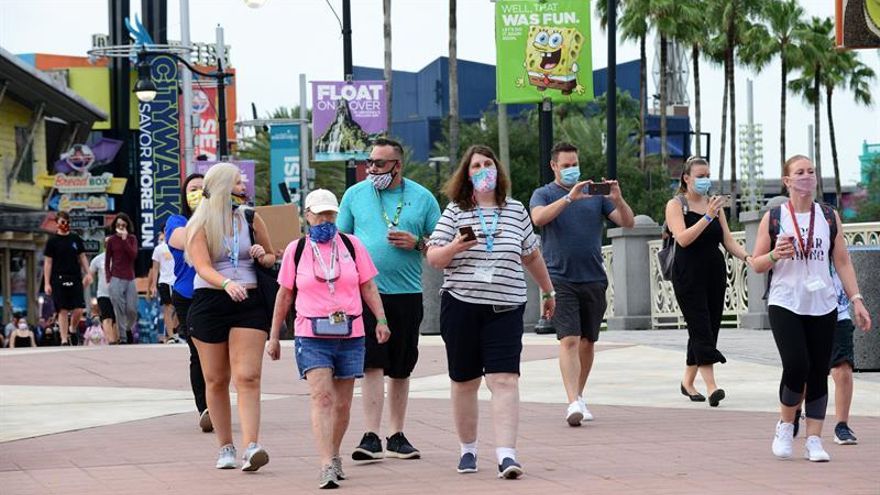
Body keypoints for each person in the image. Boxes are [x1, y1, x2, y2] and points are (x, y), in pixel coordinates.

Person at [427, 144, 556, 479]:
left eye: (487, 164)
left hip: (506, 307)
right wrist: (456, 246)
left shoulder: (515, 211)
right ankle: (468, 449)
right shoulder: (455, 211)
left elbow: (531, 255)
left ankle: (507, 455)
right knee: (465, 381)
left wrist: (547, 289)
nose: (483, 170)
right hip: (462, 305)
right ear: (466, 175)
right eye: (475, 166)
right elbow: (434, 257)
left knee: (504, 379)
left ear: (497, 170)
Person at [268, 189, 391, 489]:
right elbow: (284, 295)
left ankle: (334, 453)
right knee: (322, 397)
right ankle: (325, 463)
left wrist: (382, 319)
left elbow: (368, 285)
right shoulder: (296, 250)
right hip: (311, 332)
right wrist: (273, 336)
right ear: (307, 216)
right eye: (319, 214)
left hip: (351, 331)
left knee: (343, 404)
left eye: (330, 214)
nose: (325, 219)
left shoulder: (352, 245)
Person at [751, 154, 871, 462]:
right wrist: (775, 255)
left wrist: (856, 299)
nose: (807, 177)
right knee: (796, 365)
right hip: (785, 301)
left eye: (811, 171)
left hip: (823, 303)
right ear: (787, 181)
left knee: (819, 371)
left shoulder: (829, 216)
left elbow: (842, 261)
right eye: (800, 172)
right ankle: (785, 424)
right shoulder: (776, 216)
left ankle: (814, 440)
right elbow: (756, 264)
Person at [337, 137, 441, 461]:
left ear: (398, 165)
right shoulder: (355, 195)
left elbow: (439, 248)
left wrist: (418, 242)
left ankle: (396, 434)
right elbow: (340, 243)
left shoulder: (422, 198)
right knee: (372, 363)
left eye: (379, 164)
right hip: (366, 294)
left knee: (401, 366)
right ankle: (370, 435)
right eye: (369, 163)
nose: (372, 169)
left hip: (407, 294)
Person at [528, 142, 634, 425]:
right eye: (565, 165)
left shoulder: (594, 194)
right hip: (559, 278)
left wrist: (618, 198)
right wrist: (569, 199)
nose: (572, 169)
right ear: (554, 166)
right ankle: (572, 400)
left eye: (574, 164)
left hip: (594, 277)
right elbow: (537, 218)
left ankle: (580, 395)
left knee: (588, 342)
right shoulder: (544, 193)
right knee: (570, 339)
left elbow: (628, 223)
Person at [185, 162, 276, 471]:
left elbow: (272, 254)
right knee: (216, 378)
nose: (243, 188)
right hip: (211, 300)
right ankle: (225, 446)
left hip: (249, 300)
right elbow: (201, 265)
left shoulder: (250, 217)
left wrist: (263, 255)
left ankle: (252, 445)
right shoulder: (199, 224)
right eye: (237, 183)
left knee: (248, 375)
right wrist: (225, 283)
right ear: (224, 187)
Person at [663, 156, 752, 407]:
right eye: (700, 176)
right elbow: (682, 239)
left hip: (714, 272)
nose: (705, 180)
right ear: (687, 178)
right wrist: (706, 217)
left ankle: (687, 382)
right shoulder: (676, 205)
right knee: (700, 326)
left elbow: (728, 240)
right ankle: (712, 387)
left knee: (708, 328)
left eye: (707, 175)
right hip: (687, 274)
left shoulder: (714, 206)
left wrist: (747, 256)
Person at [167, 173, 211, 432]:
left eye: (202, 189)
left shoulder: (223, 219)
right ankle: (204, 408)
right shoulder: (177, 221)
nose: (196, 193)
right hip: (188, 295)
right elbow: (185, 240)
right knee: (198, 352)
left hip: (216, 292)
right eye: (192, 189)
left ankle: (217, 402)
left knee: (220, 356)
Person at [43, 211, 92, 345]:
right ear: (57, 223)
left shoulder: (75, 239)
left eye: (67, 222)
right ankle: (64, 339)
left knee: (78, 309)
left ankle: (73, 328)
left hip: (75, 276)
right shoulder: (52, 241)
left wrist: (88, 273)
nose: (65, 225)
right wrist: (47, 283)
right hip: (58, 277)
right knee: (62, 309)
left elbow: (82, 257)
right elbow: (48, 263)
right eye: (62, 222)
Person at [105, 213, 138, 344]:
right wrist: (108, 277)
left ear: (127, 226)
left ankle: (128, 328)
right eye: (118, 225)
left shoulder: (132, 239)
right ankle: (123, 337)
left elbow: (133, 255)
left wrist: (125, 240)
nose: (120, 227)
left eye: (123, 225)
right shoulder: (111, 240)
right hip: (116, 277)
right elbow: (107, 260)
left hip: (129, 277)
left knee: (131, 309)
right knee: (118, 308)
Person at [148, 228, 178, 343]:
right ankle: (170, 336)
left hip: (178, 281)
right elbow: (155, 268)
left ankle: (173, 330)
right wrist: (153, 285)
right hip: (165, 281)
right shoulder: (159, 249)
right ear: (164, 232)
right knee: (168, 307)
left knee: (181, 308)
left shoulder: (179, 246)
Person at [89, 250, 118, 344]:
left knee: (116, 319)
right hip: (103, 293)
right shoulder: (98, 259)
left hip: (119, 293)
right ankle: (110, 340)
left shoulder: (121, 257)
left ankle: (117, 339)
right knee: (107, 317)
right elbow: (90, 275)